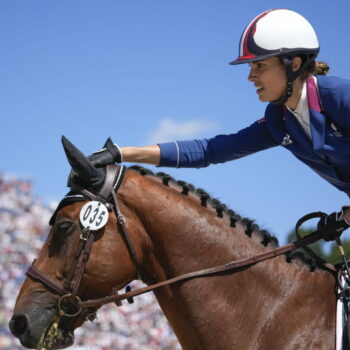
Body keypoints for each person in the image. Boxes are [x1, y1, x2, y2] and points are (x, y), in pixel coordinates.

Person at [88, 9, 350, 236]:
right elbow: (210, 150)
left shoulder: (339, 96)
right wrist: (122, 153)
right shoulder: (277, 121)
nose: (250, 77)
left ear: (293, 63)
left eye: (259, 66)